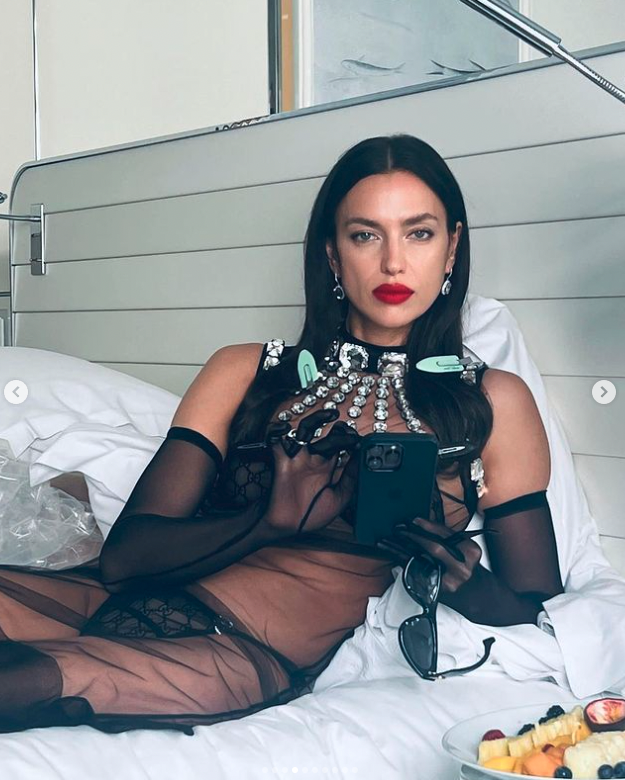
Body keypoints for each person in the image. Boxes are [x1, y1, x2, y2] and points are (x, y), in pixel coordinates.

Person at [0, 134, 563, 734]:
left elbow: (537, 609)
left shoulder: (491, 401)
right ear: (332, 254)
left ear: (452, 248)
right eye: (365, 235)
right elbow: (124, 560)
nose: (393, 263)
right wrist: (264, 522)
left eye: (419, 233)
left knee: (24, 682)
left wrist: (466, 585)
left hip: (237, 651)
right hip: (111, 600)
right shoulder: (244, 370)